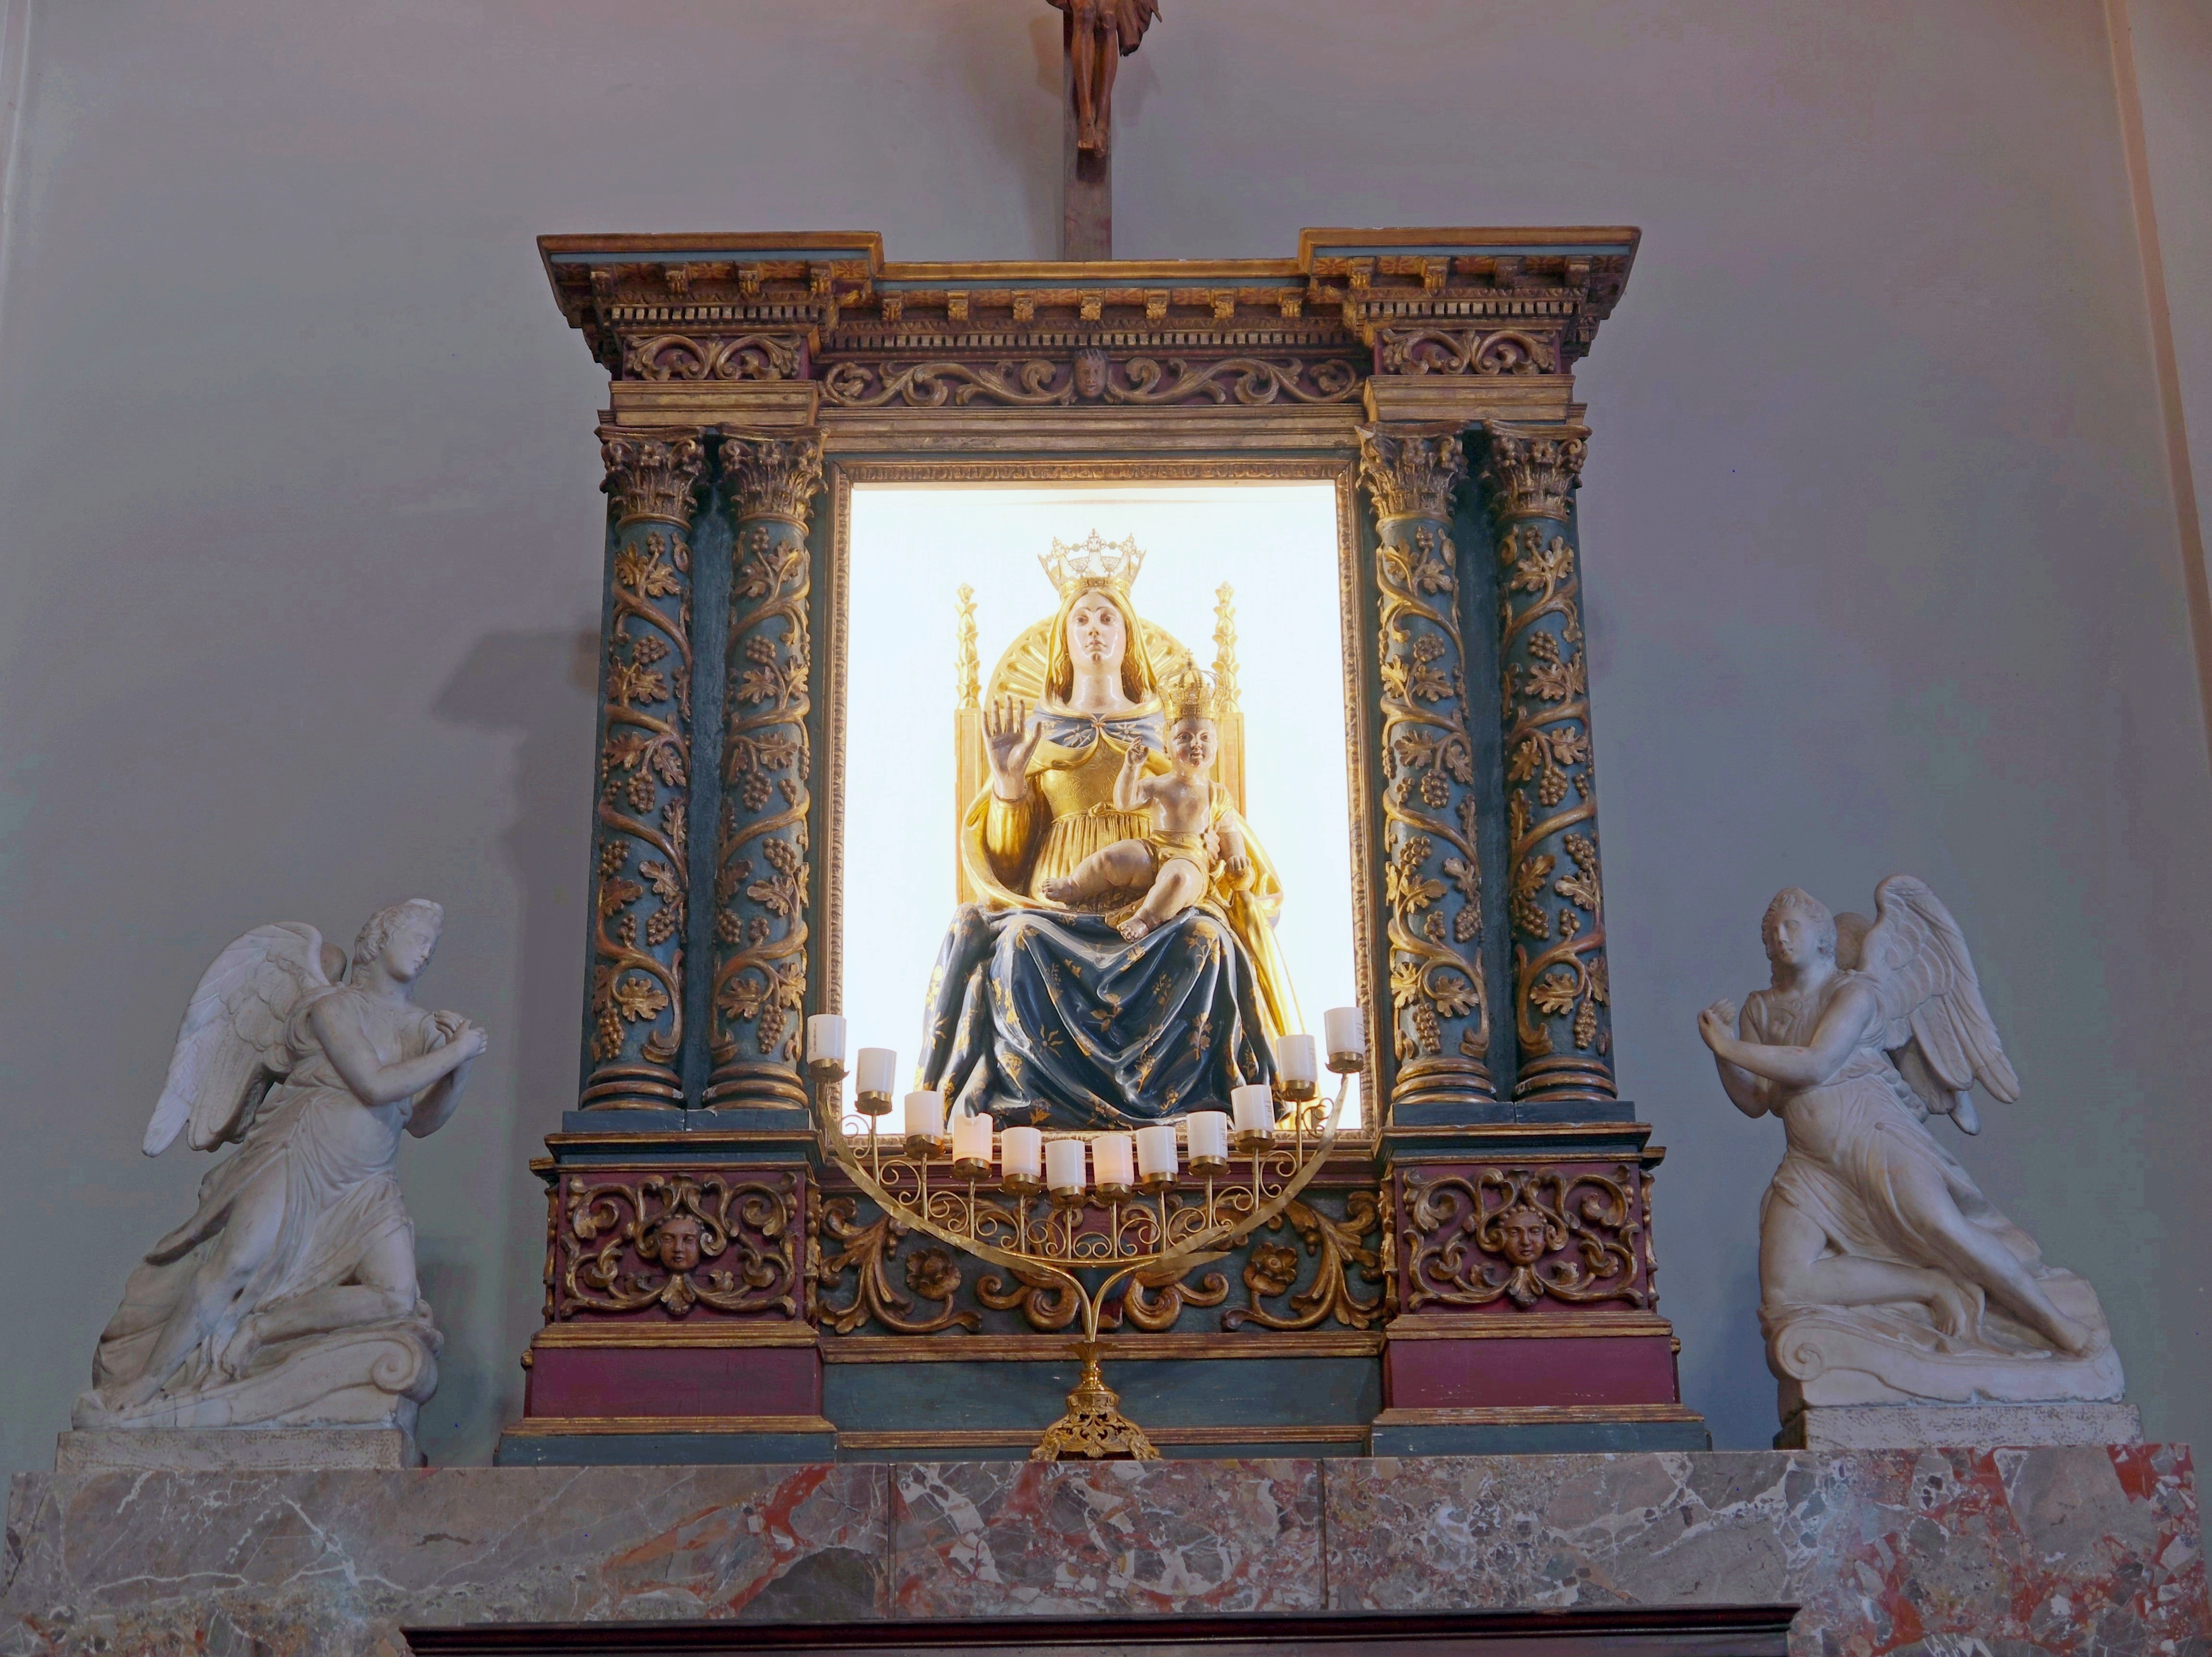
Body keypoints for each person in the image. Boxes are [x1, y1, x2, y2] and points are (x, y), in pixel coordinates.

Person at [1699, 886, 2092, 1358]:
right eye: (1772, 931)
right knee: (1786, 1285)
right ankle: (1929, 1285)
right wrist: (1723, 1058)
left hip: (1873, 1137)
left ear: (1822, 934)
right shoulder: (1759, 1008)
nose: (1781, 938)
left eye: (1792, 926)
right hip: (1811, 1164)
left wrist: (1729, 1049)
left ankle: (2057, 1324)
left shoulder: (1854, 992)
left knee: (1943, 1227)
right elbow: (1757, 1100)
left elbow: (1816, 1063)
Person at [1040, 672, 1249, 940]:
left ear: (1217, 745)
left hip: (1192, 861)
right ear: (1166, 747)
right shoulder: (1160, 786)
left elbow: (1231, 836)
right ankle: (1073, 885)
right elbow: (1125, 802)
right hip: (1154, 848)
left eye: (1205, 738)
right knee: (1111, 858)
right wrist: (1131, 767)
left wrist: (1236, 858)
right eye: (1185, 737)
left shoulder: (1217, 795)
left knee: (1177, 881)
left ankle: (1144, 919)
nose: (1196, 745)